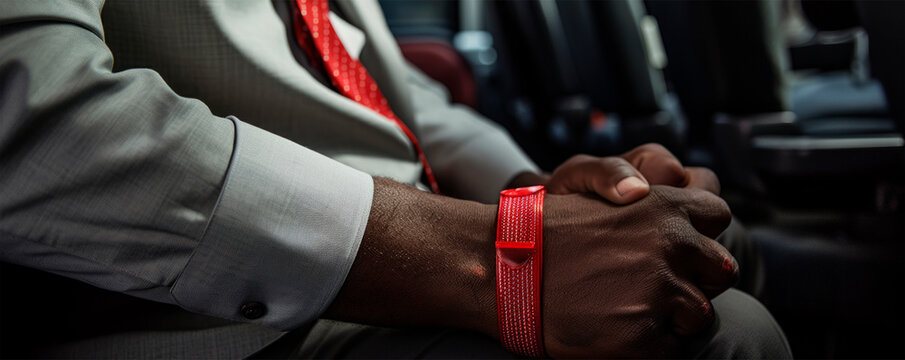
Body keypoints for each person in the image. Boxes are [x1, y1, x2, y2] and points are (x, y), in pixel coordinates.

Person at [0, 0, 789, 358]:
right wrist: (490, 255)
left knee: (710, 245)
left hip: (394, 241)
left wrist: (542, 190)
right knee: (722, 338)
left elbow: (404, 98)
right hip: (204, 318)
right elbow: (32, 121)